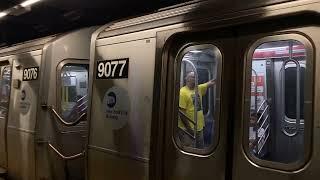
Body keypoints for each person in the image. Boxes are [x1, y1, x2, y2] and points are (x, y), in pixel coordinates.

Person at [178, 71, 215, 148]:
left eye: (196, 77)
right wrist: (190, 130)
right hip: (187, 130)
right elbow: (182, 114)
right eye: (193, 77)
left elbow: (211, 82)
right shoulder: (182, 92)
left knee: (200, 149)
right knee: (189, 151)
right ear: (187, 79)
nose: (196, 79)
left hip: (199, 128)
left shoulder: (198, 88)